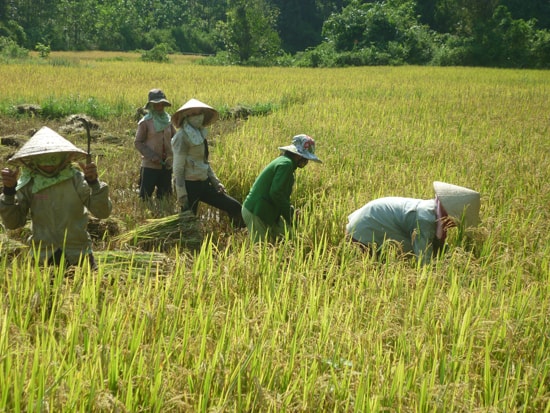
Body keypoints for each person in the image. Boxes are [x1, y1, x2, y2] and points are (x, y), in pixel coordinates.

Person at [0, 126, 112, 269]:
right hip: (43, 255)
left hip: (78, 252)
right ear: (33, 160)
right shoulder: (29, 184)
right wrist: (9, 191)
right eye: (43, 158)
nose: (49, 164)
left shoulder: (76, 179)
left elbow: (102, 212)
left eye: (54, 158)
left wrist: (94, 183)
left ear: (65, 157)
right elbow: (13, 223)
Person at [345, 181, 481, 264]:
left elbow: (434, 246)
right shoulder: (425, 218)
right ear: (451, 214)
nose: (455, 226)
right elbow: (423, 257)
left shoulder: (433, 209)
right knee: (377, 267)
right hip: (365, 229)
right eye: (457, 222)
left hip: (365, 222)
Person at [171, 98, 244, 227]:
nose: (197, 117)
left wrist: (216, 182)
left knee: (235, 207)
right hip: (189, 185)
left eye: (199, 113)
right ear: (186, 116)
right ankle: (187, 245)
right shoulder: (181, 137)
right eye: (193, 114)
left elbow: (205, 161)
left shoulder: (200, 134)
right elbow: (178, 167)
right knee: (188, 223)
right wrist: (181, 193)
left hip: (204, 182)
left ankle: (238, 236)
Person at [241, 134, 322, 243]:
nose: (306, 162)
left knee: (292, 239)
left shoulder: (285, 163)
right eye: (305, 158)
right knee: (260, 249)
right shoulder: (286, 164)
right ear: (298, 155)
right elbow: (276, 193)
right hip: (257, 211)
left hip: (269, 211)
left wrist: (291, 210)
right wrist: (290, 215)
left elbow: (280, 195)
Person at [134, 88, 175, 204]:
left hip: (166, 164)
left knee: (165, 197)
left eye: (162, 104)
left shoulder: (168, 121)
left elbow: (175, 138)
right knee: (145, 198)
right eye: (157, 105)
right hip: (150, 165)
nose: (160, 107)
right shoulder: (145, 122)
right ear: (151, 105)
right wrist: (152, 156)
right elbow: (138, 142)